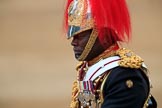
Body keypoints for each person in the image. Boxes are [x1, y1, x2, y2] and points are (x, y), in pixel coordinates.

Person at [63, 0, 157, 108]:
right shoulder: (89, 67)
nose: (73, 42)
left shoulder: (125, 75)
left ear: (105, 36)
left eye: (80, 36)